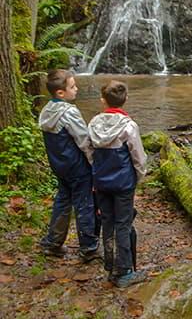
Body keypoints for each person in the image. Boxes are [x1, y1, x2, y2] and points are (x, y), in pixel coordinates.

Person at [87, 80, 147, 288]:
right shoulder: (129, 126)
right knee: (123, 224)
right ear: (126, 99)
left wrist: (96, 170)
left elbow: (88, 150)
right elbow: (138, 156)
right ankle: (124, 271)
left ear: (103, 100)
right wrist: (139, 176)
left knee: (107, 221)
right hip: (123, 183)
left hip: (101, 182)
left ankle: (110, 265)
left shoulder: (93, 124)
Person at [38, 69, 100, 262]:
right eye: (72, 86)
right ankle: (88, 247)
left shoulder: (46, 111)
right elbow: (83, 140)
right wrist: (94, 163)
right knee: (84, 204)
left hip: (59, 165)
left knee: (63, 201)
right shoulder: (69, 112)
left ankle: (53, 242)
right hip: (77, 166)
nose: (76, 89)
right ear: (60, 93)